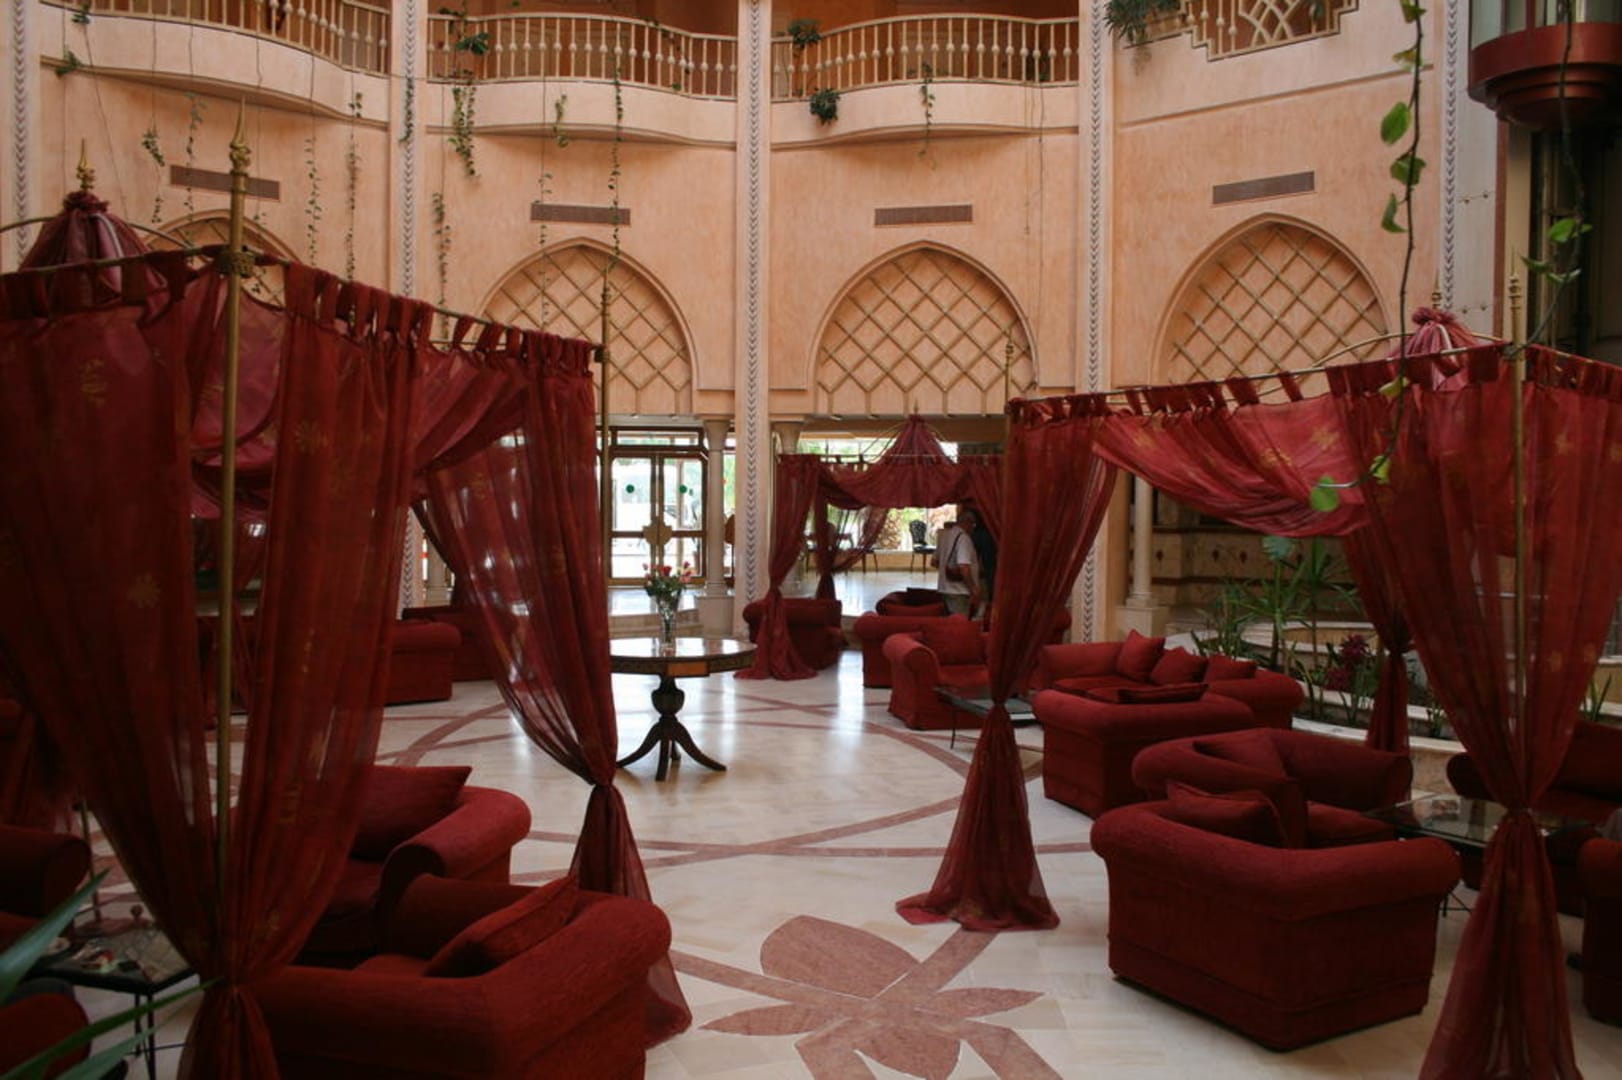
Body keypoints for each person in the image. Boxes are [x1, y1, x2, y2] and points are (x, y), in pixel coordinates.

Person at [932, 510, 981, 618]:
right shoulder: (964, 538)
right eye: (973, 524)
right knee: (959, 624)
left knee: (949, 623)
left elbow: (934, 562)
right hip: (959, 592)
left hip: (944, 589)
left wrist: (948, 570)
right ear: (967, 522)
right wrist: (973, 589)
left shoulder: (944, 536)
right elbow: (964, 567)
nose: (973, 528)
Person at [963, 505, 998, 610]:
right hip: (987, 532)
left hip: (979, 531)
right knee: (990, 568)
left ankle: (978, 596)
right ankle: (990, 600)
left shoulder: (974, 504)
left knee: (974, 563)